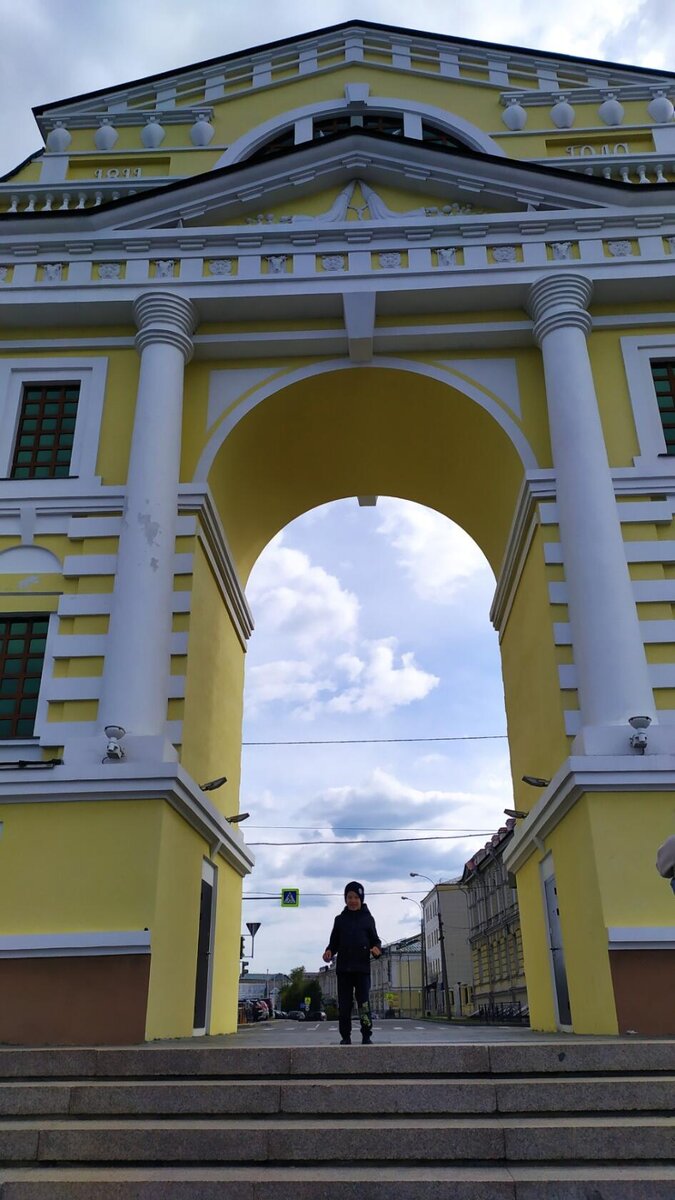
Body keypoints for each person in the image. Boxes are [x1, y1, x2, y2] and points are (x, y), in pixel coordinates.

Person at [323, 880, 382, 1045]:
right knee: (344, 1005)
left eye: (356, 897)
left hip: (362, 969)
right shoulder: (339, 920)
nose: (353, 900)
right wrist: (329, 952)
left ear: (361, 899)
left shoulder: (368, 919)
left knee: (364, 1004)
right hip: (344, 970)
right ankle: (345, 1036)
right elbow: (333, 943)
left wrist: (377, 950)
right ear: (345, 899)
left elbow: (376, 941)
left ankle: (366, 1035)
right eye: (349, 897)